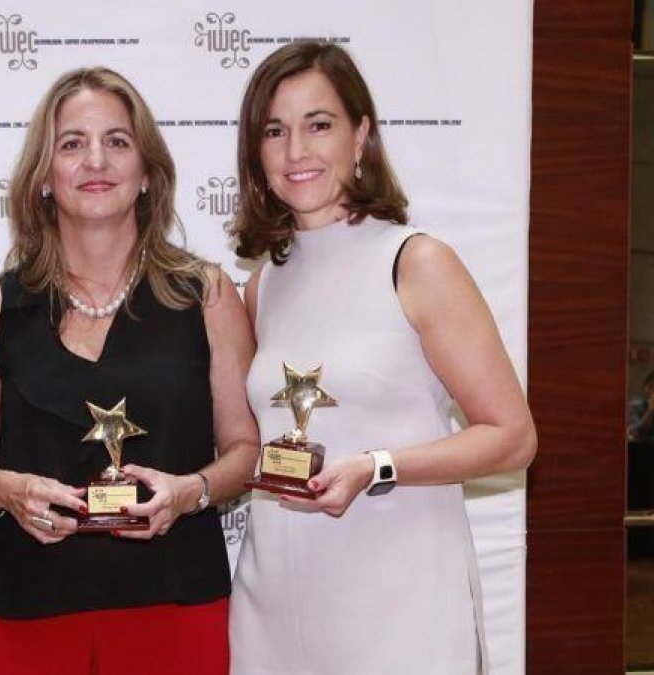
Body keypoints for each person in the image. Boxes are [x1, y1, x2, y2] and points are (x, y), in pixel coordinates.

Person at [227, 42, 537, 675]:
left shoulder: (416, 263)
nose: (296, 151)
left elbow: (512, 437)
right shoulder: (263, 286)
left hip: (400, 610)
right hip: (275, 609)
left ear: (361, 135)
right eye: (275, 131)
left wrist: (377, 467)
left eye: (319, 125)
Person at [0, 66, 260, 675]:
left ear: (148, 173)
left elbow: (247, 451)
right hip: (21, 613)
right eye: (72, 143)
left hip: (176, 605)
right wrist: (7, 490)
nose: (96, 160)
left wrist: (191, 492)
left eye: (117, 141)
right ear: (44, 176)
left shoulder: (207, 294)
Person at [629, 370, 654, 443]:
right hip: (642, 447)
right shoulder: (633, 406)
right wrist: (650, 410)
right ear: (645, 388)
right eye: (651, 386)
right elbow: (637, 431)